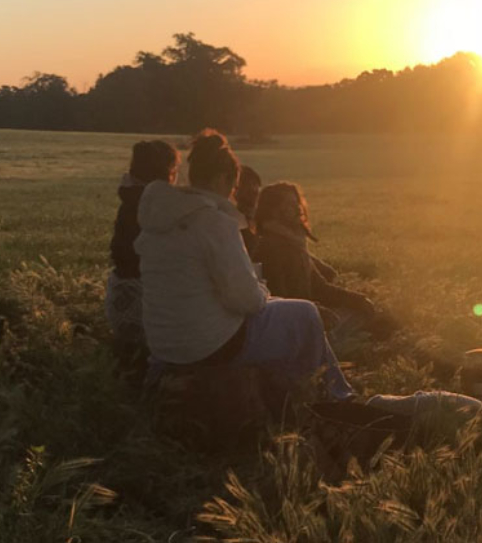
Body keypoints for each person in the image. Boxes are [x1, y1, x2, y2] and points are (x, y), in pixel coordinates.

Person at [134, 129, 355, 404]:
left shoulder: (159, 219)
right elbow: (246, 300)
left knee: (282, 313)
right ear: (221, 179)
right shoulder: (212, 222)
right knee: (304, 314)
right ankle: (328, 396)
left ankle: (304, 392)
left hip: (164, 342)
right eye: (233, 186)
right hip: (208, 344)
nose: (233, 194)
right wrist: (263, 292)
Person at [252, 181, 384, 332]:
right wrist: (317, 311)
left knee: (360, 312)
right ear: (273, 211)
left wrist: (358, 299)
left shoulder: (294, 245)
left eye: (296, 203)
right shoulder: (270, 247)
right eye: (289, 204)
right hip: (291, 323)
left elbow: (320, 288)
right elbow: (279, 299)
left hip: (308, 312)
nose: (296, 209)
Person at [105, 139, 179, 367]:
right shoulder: (156, 208)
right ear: (167, 172)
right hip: (144, 306)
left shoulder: (131, 199)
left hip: (119, 299)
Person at [234, 165, 262, 255]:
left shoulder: (263, 220)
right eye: (247, 185)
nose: (253, 190)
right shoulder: (232, 222)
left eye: (255, 185)